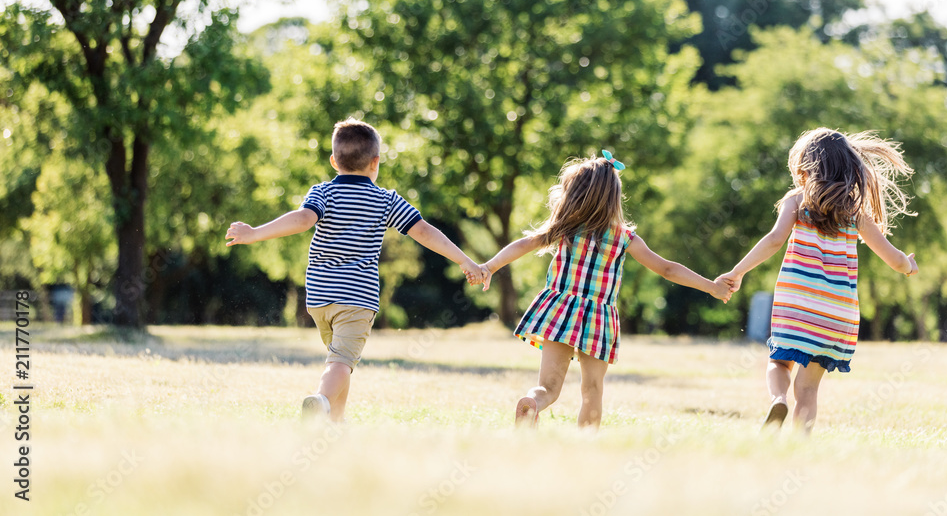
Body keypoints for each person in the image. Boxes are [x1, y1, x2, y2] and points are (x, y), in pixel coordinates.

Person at [226, 118, 485, 422]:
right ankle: (320, 400)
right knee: (341, 362)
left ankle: (336, 423)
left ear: (334, 161)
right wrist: (464, 260)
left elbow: (301, 220)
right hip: (357, 299)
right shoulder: (385, 199)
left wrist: (255, 232)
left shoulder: (322, 193)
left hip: (320, 299)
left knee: (340, 361)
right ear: (375, 162)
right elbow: (424, 231)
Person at [478, 150, 732, 429]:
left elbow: (524, 244)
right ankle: (586, 443)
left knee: (548, 386)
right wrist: (711, 287)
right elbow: (667, 269)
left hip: (559, 309)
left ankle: (533, 402)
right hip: (598, 318)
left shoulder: (563, 228)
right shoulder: (624, 238)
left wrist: (489, 266)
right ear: (614, 198)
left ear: (572, 194)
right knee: (592, 390)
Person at [718, 128, 918, 434]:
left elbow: (773, 241)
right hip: (836, 312)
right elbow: (892, 257)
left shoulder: (797, 200)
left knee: (779, 363)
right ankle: (801, 443)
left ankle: (778, 399)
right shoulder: (856, 211)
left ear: (804, 169)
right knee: (809, 389)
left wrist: (738, 271)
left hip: (796, 305)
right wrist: (908, 266)